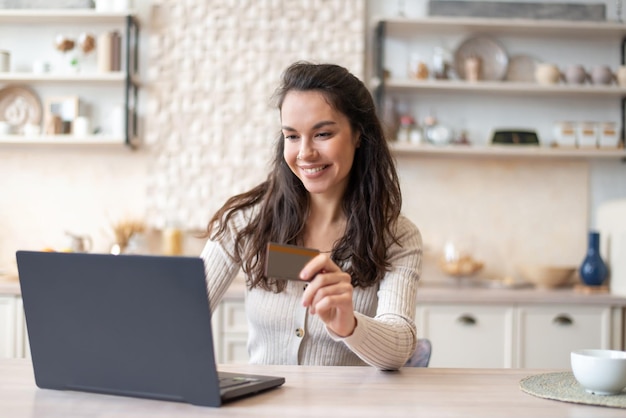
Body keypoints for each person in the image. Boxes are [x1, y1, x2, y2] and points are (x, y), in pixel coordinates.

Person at [201, 61, 422, 370]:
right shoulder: (246, 222)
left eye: (323, 134)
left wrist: (350, 325)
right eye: (292, 136)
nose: (305, 153)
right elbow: (179, 317)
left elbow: (399, 347)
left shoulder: (396, 236)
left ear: (358, 134)